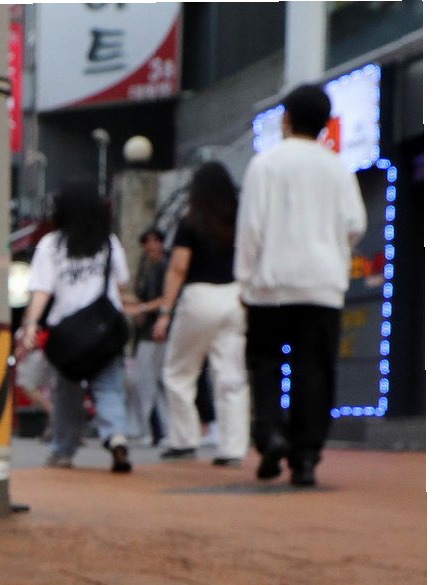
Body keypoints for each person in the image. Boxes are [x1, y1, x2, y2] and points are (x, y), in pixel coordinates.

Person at [236, 81, 366, 486]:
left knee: (266, 363)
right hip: (322, 286)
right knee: (314, 370)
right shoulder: (338, 168)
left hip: (270, 284)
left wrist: (244, 281)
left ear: (286, 119)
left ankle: (271, 434)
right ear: (326, 123)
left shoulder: (266, 164)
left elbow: (250, 228)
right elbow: (355, 225)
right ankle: (306, 456)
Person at [17, 181, 136, 472]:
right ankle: (116, 436)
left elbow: (41, 291)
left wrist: (31, 324)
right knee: (109, 387)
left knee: (66, 393)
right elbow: (122, 283)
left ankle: (63, 450)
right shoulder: (108, 242)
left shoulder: (52, 245)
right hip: (104, 331)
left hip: (67, 334)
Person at [153, 161, 249, 465]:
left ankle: (184, 440)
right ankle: (232, 449)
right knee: (231, 376)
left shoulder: (190, 221)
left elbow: (178, 267)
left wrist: (165, 311)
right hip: (235, 297)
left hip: (199, 297)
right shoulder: (240, 220)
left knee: (179, 371)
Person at [127, 225, 169, 445]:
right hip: (145, 332)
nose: (151, 246)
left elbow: (166, 298)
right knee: (145, 381)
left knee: (151, 381)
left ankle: (157, 430)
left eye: (155, 241)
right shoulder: (146, 268)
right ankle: (152, 428)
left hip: (157, 332)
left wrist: (142, 309)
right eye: (147, 242)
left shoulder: (164, 267)